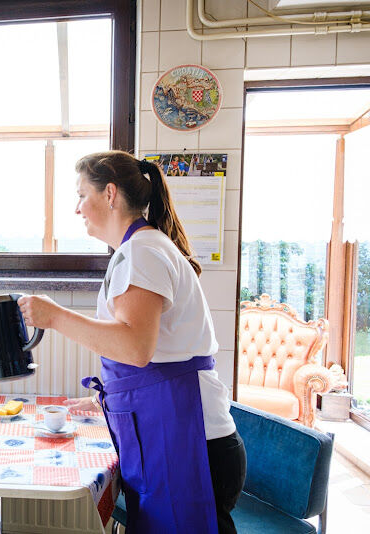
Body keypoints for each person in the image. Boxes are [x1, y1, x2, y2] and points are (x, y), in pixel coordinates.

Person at [18, 151, 246, 534]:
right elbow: (157, 351)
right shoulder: (140, 249)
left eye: (80, 195)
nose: (77, 208)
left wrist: (55, 317)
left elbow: (135, 348)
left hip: (189, 442)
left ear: (109, 194)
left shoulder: (143, 251)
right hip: (175, 432)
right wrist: (104, 399)